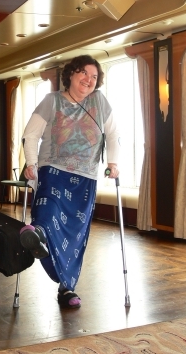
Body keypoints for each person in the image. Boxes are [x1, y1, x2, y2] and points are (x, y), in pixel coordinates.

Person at [20, 55, 120, 309]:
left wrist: (113, 162)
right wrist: (31, 163)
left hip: (85, 178)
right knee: (48, 211)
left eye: (94, 76)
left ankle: (67, 287)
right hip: (53, 170)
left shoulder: (99, 101)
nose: (89, 79)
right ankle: (37, 235)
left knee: (76, 235)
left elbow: (113, 133)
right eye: (84, 73)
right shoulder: (51, 101)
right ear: (71, 74)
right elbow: (30, 135)